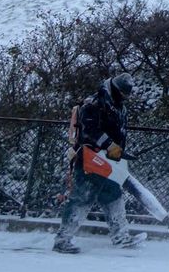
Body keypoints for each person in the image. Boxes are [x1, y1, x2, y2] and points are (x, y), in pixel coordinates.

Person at [55, 72, 140, 253]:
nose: (125, 98)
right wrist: (110, 145)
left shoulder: (118, 106)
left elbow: (119, 132)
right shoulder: (94, 104)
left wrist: (118, 151)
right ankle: (62, 240)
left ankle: (121, 237)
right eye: (123, 94)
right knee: (82, 198)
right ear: (115, 89)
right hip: (89, 158)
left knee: (113, 196)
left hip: (109, 162)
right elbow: (90, 131)